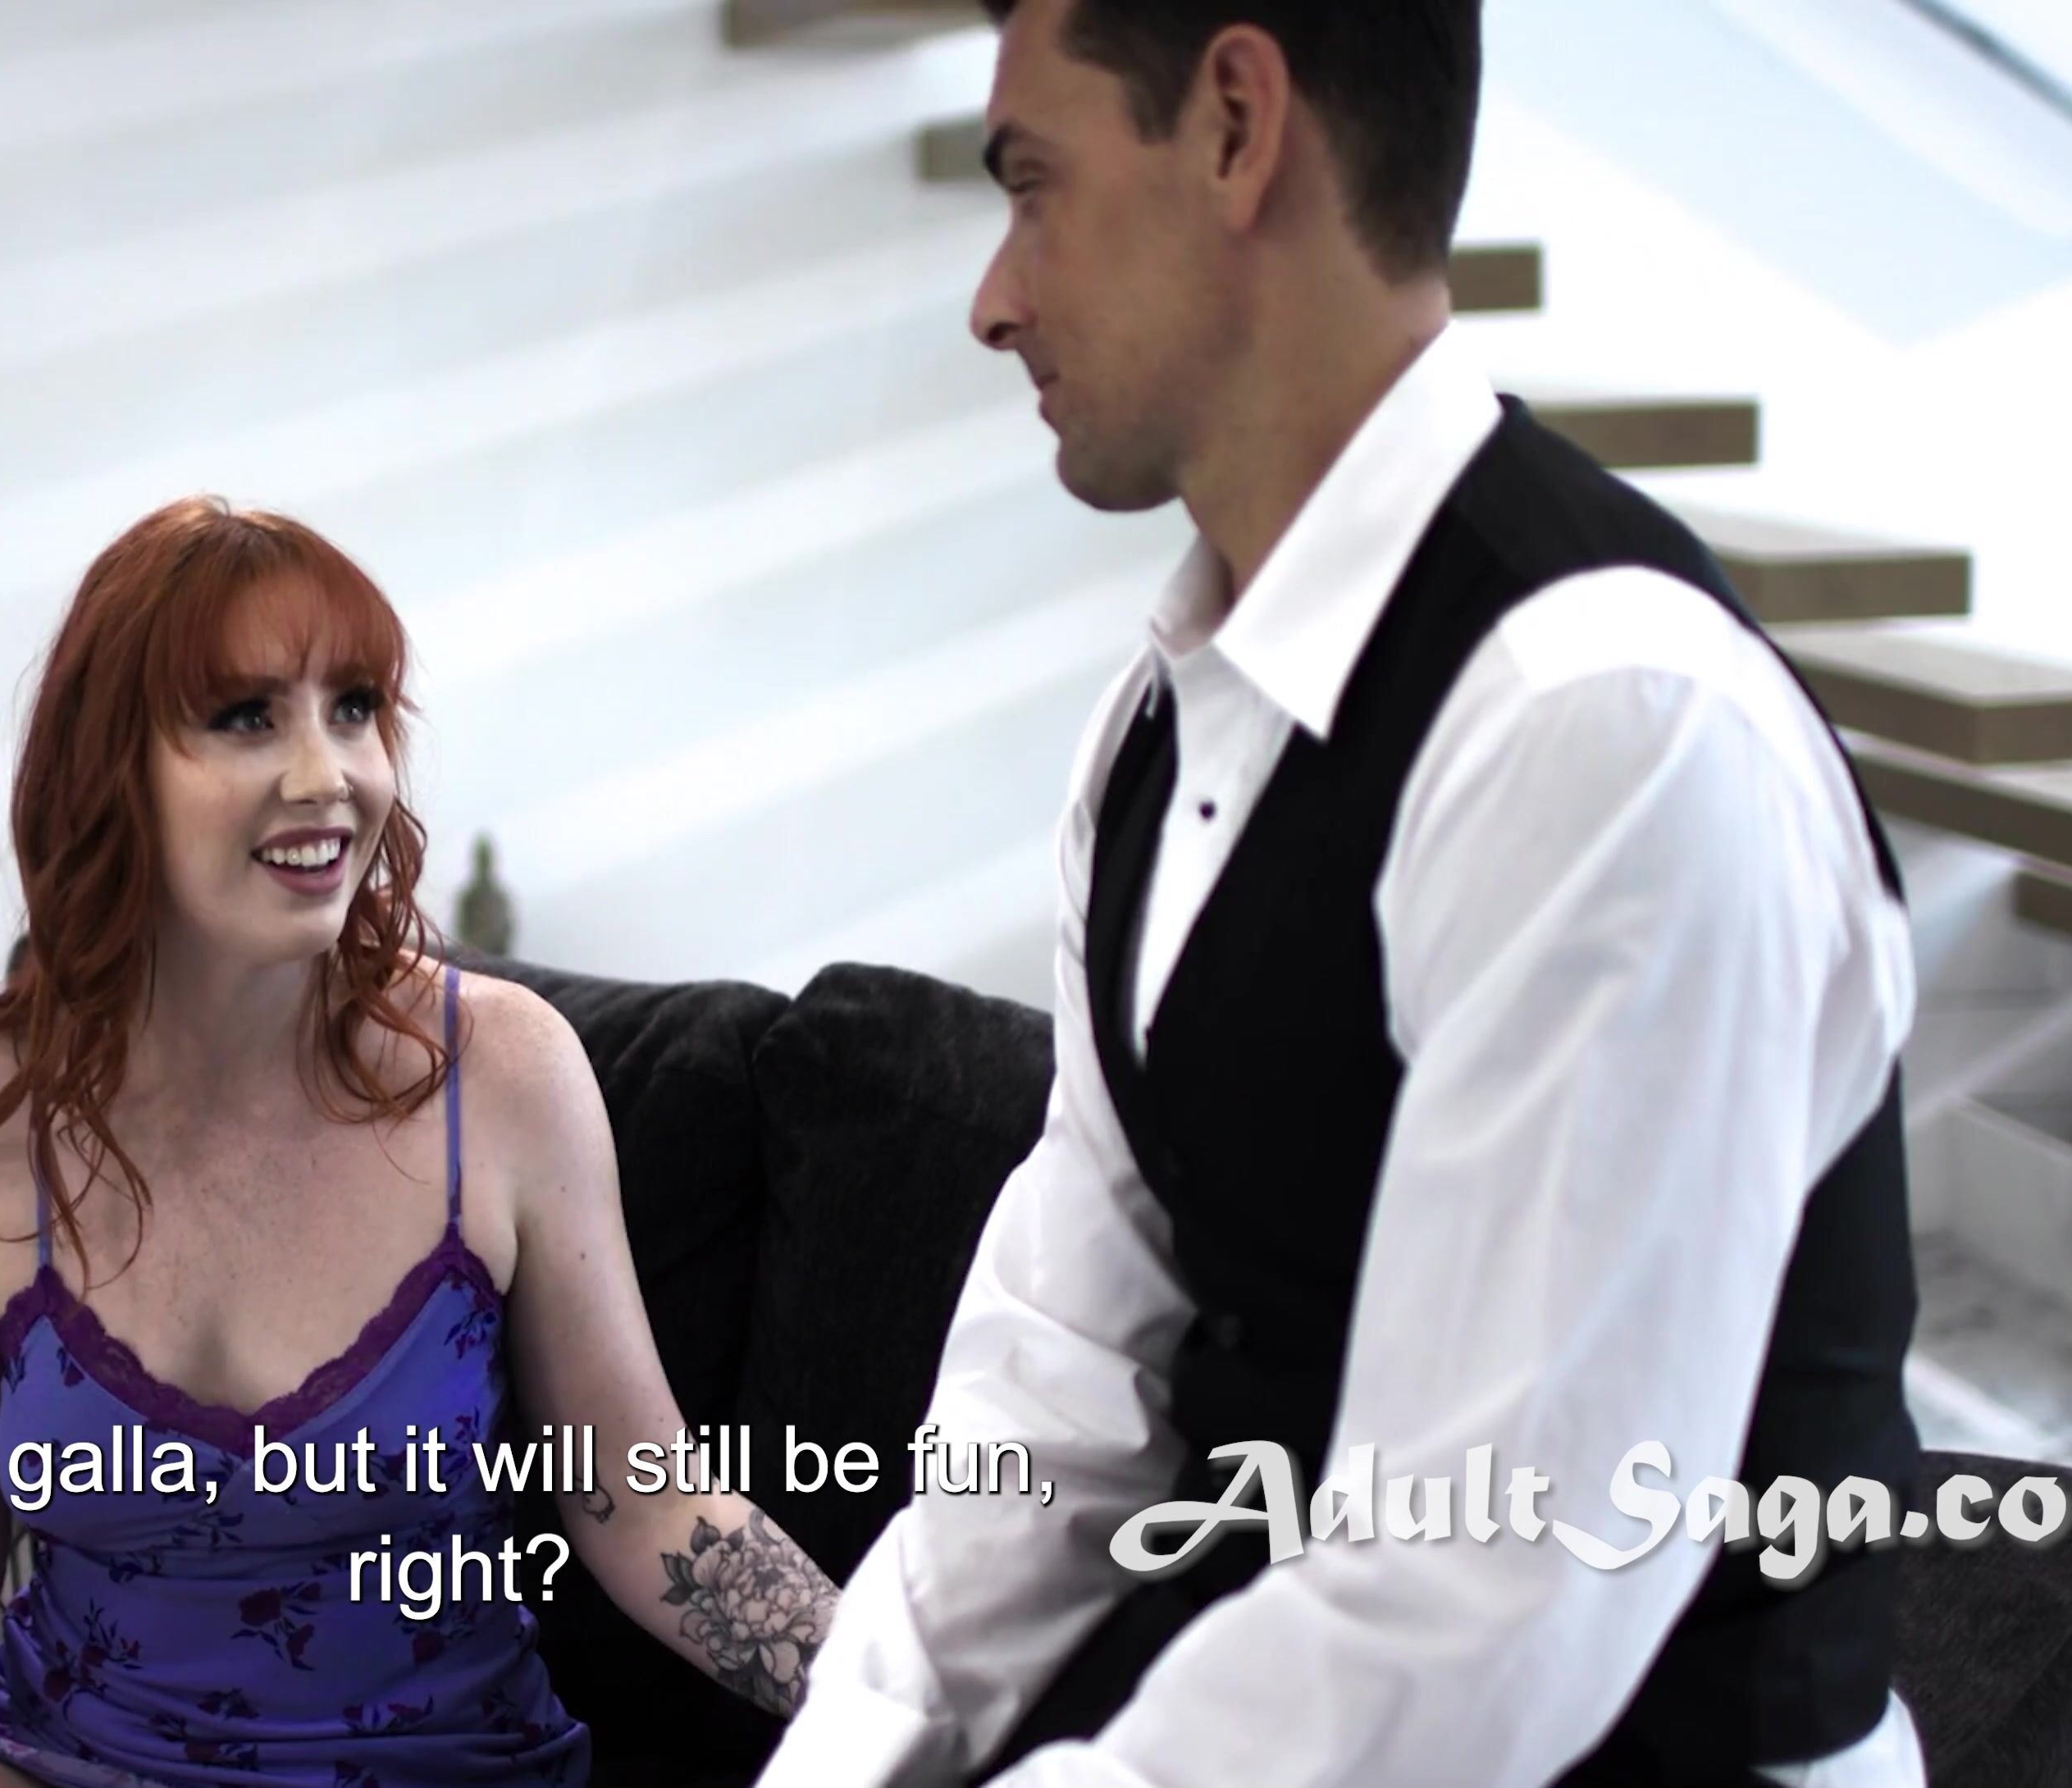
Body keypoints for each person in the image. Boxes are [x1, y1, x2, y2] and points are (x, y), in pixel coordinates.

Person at [756, 3, 1924, 1786]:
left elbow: (1484, 1596)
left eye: (1033, 185)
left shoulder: (1606, 726)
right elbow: (1059, 1378)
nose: (993, 299)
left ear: (1237, 124)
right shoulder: (1156, 731)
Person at [0, 496, 837, 1788]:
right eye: (247, 717)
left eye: (355, 708)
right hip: (64, 1749)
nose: (328, 775)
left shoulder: (504, 1076)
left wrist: (917, 1693)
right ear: (110, 770)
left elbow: (648, 1506)